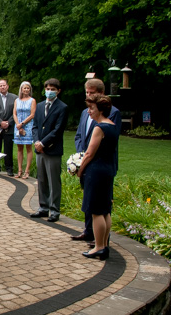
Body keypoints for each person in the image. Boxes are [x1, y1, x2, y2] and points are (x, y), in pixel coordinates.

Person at [71, 78, 121, 246]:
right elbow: (79, 135)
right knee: (90, 201)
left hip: (98, 164)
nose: (89, 97)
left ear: (101, 94)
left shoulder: (110, 114)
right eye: (87, 93)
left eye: (92, 93)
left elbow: (104, 144)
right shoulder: (85, 113)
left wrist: (83, 162)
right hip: (88, 161)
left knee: (100, 207)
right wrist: (81, 154)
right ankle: (89, 231)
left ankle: (100, 241)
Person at [31, 78, 69, 222]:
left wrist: (44, 143)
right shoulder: (40, 106)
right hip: (39, 149)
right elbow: (35, 126)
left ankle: (54, 210)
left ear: (58, 91)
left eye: (52, 89)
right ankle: (43, 207)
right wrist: (36, 142)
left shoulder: (62, 107)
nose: (49, 91)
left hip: (52, 149)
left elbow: (58, 130)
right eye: (47, 89)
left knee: (53, 181)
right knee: (41, 179)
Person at [12, 81, 37, 179]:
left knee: (28, 147)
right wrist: (18, 124)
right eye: (24, 88)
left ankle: (27, 171)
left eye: (28, 88)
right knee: (19, 148)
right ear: (21, 89)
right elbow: (14, 113)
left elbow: (32, 114)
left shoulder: (32, 100)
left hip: (28, 125)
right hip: (18, 126)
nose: (26, 90)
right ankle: (19, 170)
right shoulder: (17, 100)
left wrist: (22, 124)